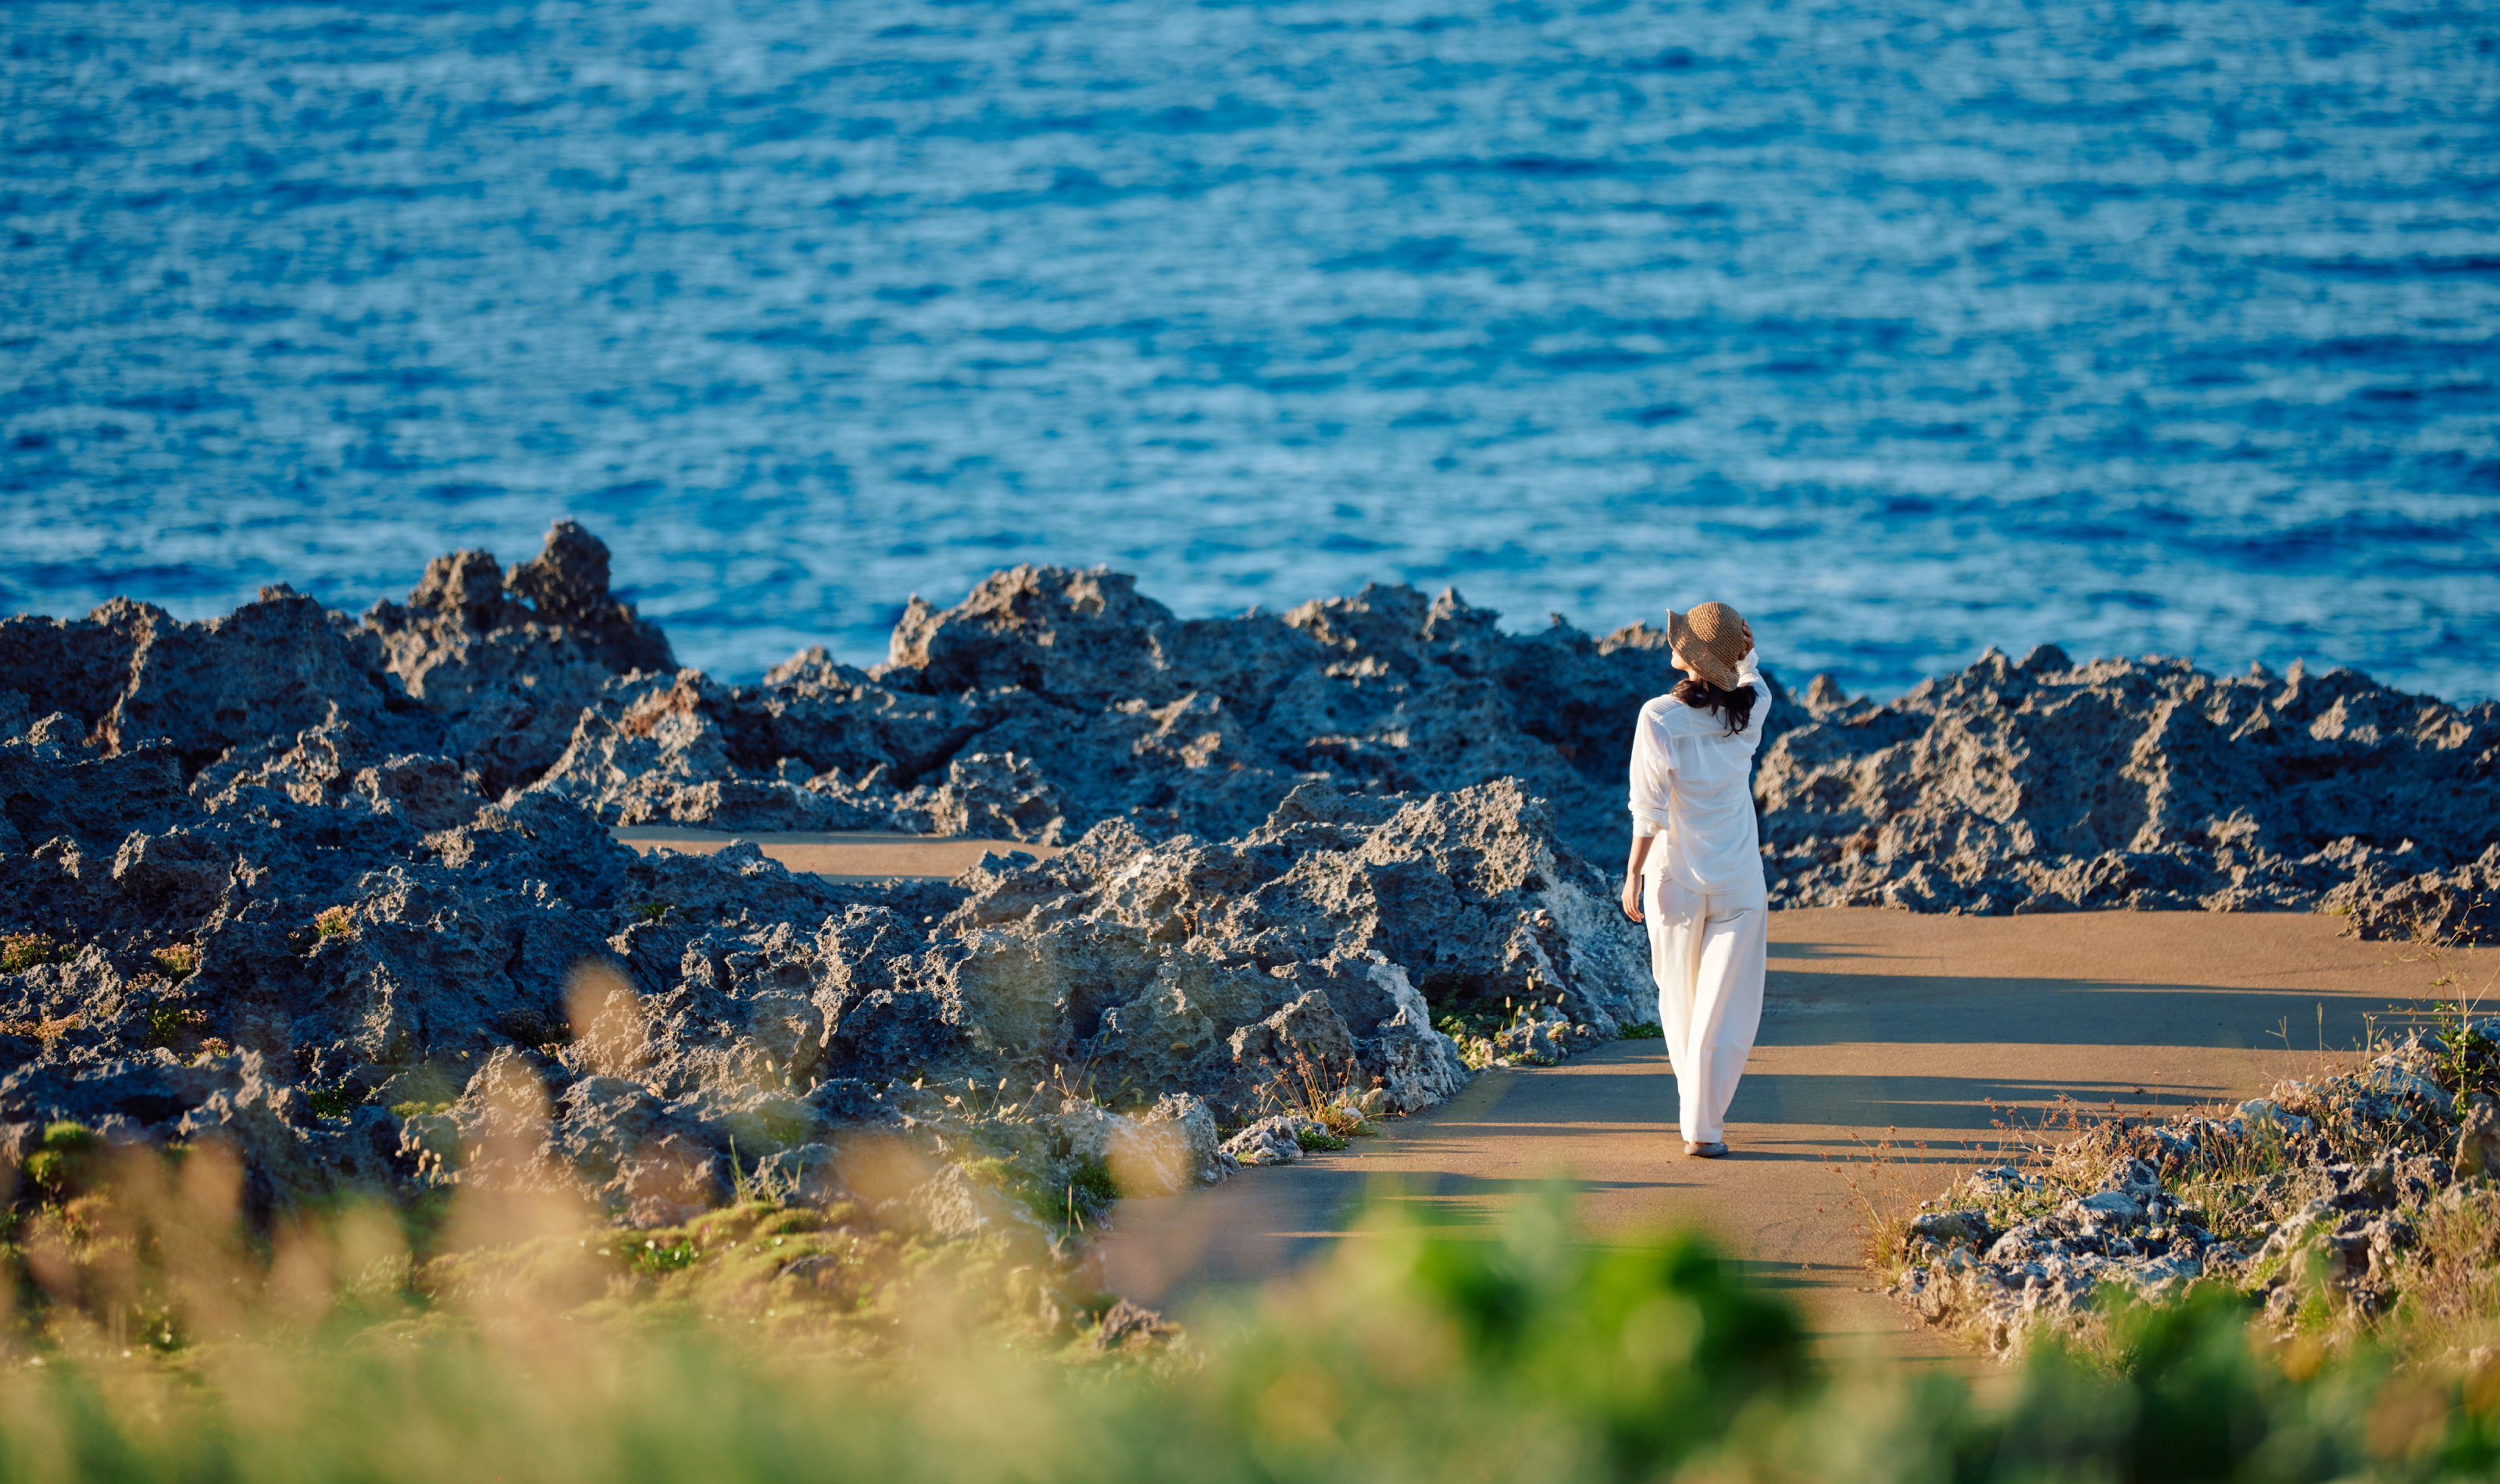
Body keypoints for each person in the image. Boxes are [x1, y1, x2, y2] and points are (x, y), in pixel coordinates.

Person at [1620, 601, 1770, 1158]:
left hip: (1676, 879)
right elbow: (1752, 678)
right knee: (1725, 1007)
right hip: (1739, 881)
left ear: (1691, 655)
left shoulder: (1658, 716)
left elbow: (1648, 810)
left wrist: (1632, 876)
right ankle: (1703, 1123)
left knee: (1681, 1004)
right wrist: (1744, 655)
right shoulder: (1751, 710)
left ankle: (1699, 1121)